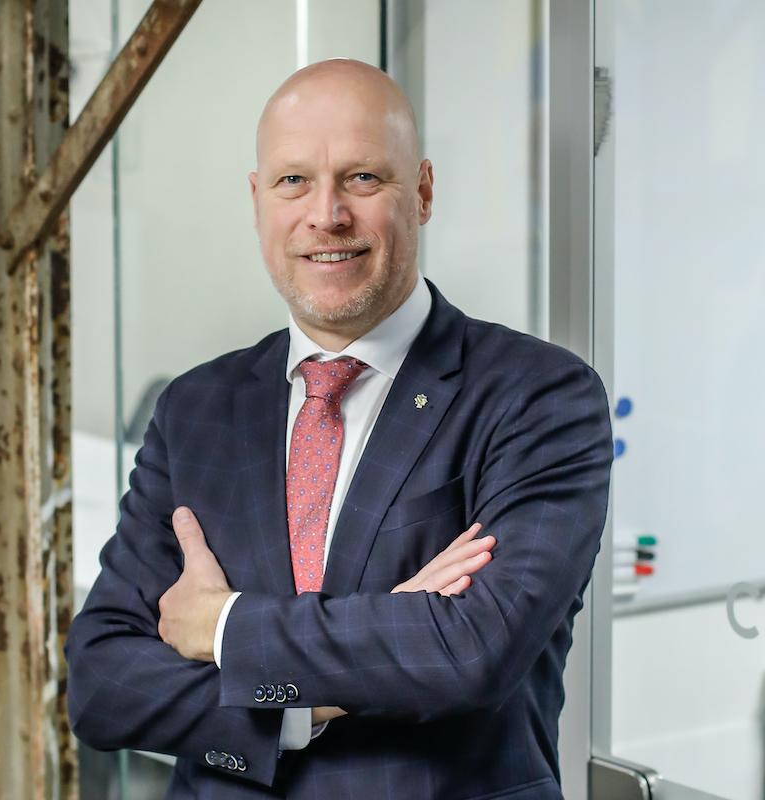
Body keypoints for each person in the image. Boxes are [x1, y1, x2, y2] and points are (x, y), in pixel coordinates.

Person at [65, 59, 612, 799]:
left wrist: (224, 626)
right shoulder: (196, 409)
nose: (326, 215)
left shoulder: (538, 397)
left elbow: (473, 651)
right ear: (257, 201)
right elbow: (103, 682)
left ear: (422, 192)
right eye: (293, 180)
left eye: (362, 178)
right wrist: (305, 705)